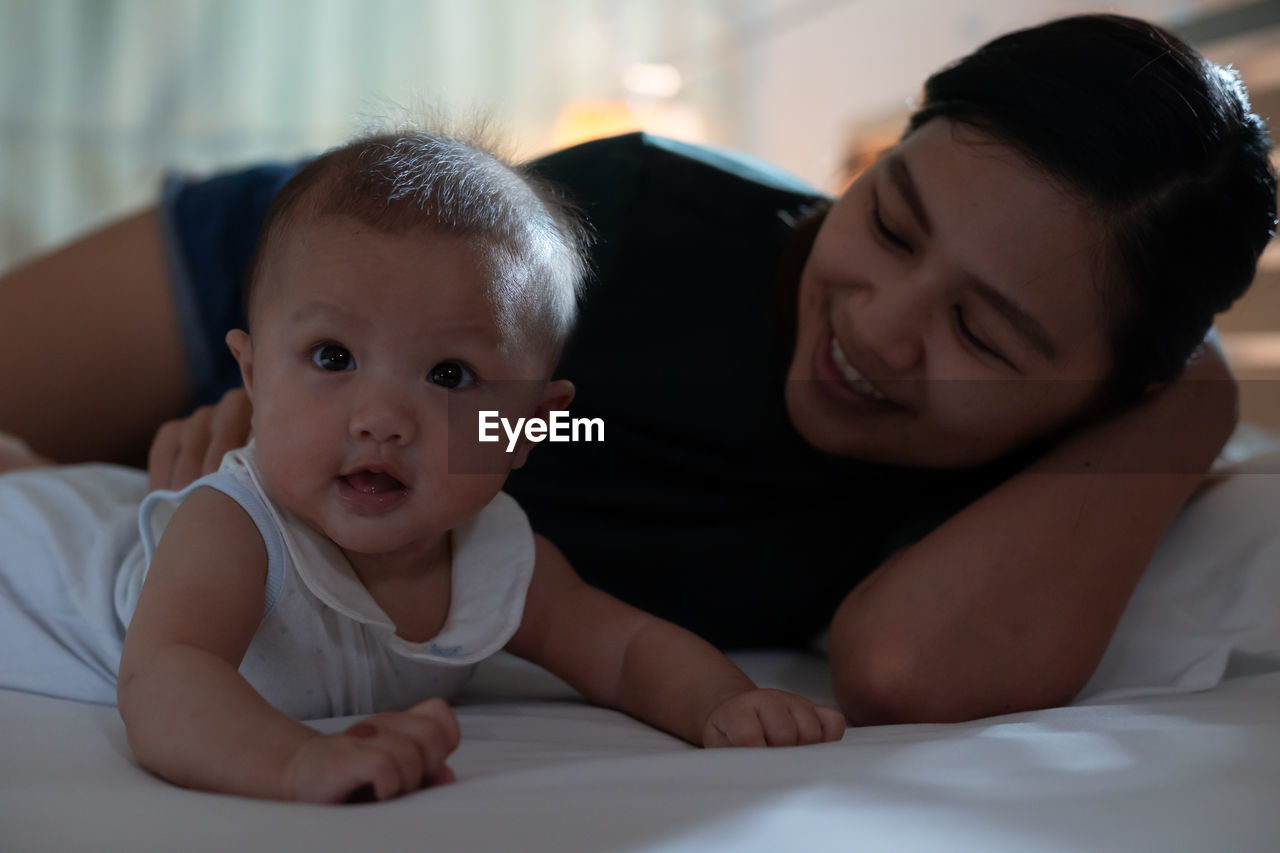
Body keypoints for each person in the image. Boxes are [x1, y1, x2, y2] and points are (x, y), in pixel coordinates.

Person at [0, 14, 1274, 725]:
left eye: (981, 335)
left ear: (1111, 390)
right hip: (290, 290)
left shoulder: (1058, 472)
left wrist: (1194, 394)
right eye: (887, 219)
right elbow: (477, 418)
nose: (879, 328)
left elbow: (906, 668)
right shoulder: (638, 237)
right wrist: (254, 434)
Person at [0, 128, 846, 804]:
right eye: (333, 356)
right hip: (33, 556)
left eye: (450, 376)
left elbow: (624, 650)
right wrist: (297, 761)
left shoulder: (496, 560)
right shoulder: (237, 529)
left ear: (526, 429)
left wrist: (723, 703)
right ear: (253, 375)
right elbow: (166, 678)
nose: (380, 420)